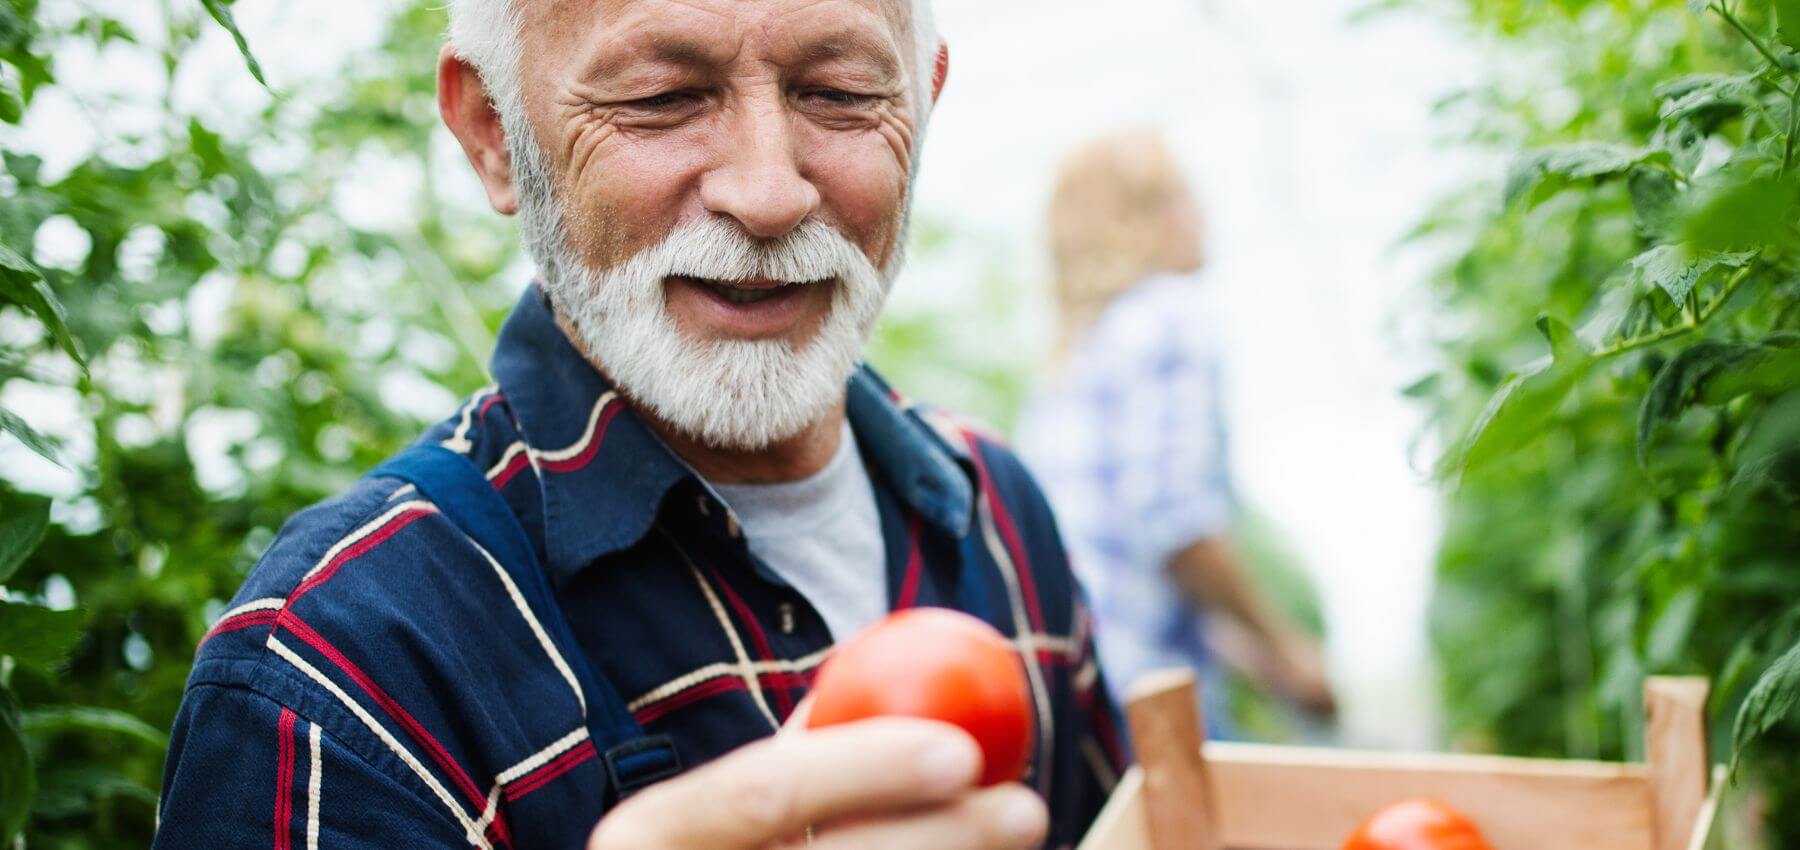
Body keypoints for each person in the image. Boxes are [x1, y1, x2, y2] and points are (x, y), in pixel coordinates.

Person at [150, 1, 1124, 847]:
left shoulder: (997, 511)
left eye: (837, 91)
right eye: (661, 98)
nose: (767, 192)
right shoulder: (344, 672)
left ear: (922, 99)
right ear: (493, 130)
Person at [1017, 131, 1336, 733]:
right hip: (1149, 702)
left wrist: (1260, 660)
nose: (1201, 216)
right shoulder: (1168, 316)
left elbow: (1125, 565)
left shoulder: (1074, 356)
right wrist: (1289, 647)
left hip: (1066, 688)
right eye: (1186, 198)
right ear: (1144, 218)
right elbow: (1177, 525)